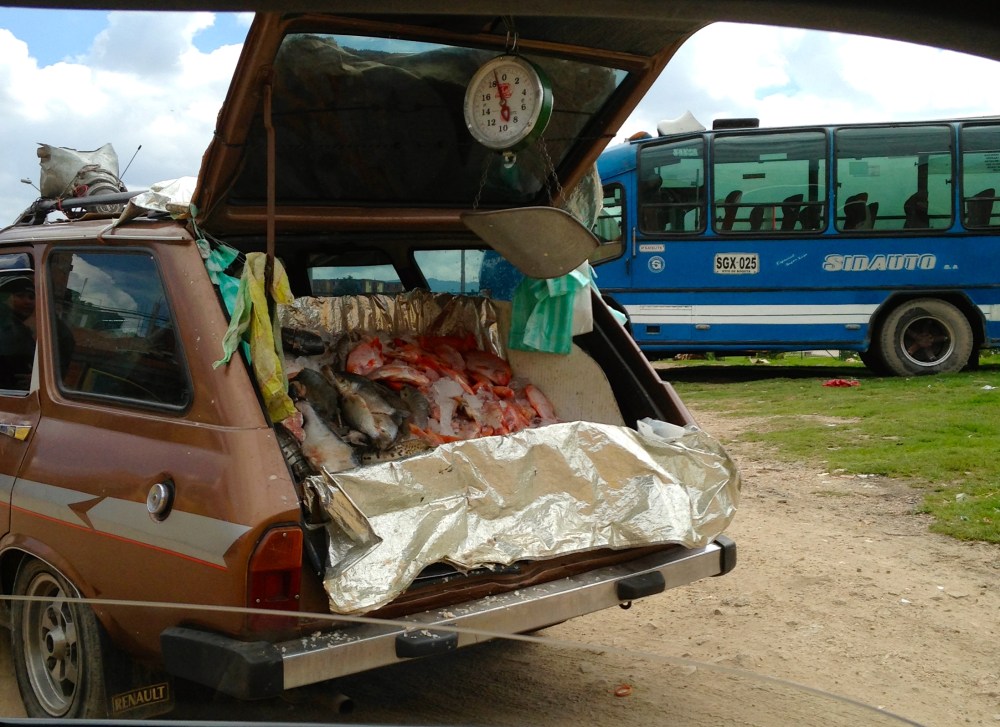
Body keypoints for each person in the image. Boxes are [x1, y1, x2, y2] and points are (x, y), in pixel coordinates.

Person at [0, 275, 37, 390]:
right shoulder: (7, 328)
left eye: (31, 297)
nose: (28, 302)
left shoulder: (23, 331)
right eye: (20, 296)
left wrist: (34, 379)